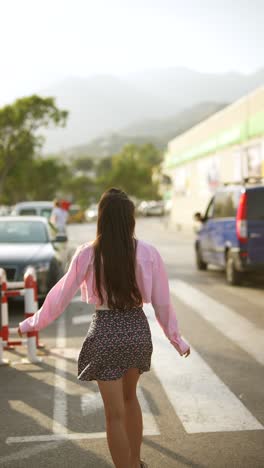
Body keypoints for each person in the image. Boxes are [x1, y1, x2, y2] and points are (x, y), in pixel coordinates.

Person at [18, 188, 190, 468]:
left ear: (102, 219)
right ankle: (135, 462)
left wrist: (32, 324)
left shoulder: (88, 253)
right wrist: (176, 339)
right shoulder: (148, 252)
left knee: (114, 414)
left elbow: (59, 296)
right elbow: (163, 303)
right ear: (130, 220)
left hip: (106, 331)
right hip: (136, 329)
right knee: (131, 399)